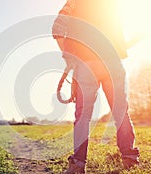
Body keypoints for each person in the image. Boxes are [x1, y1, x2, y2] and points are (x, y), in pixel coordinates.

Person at [52, 0, 140, 173]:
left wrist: (68, 57)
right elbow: (119, 41)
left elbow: (57, 28)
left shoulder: (74, 2)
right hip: (113, 63)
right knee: (121, 112)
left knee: (83, 116)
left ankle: (78, 164)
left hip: (86, 63)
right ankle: (130, 158)